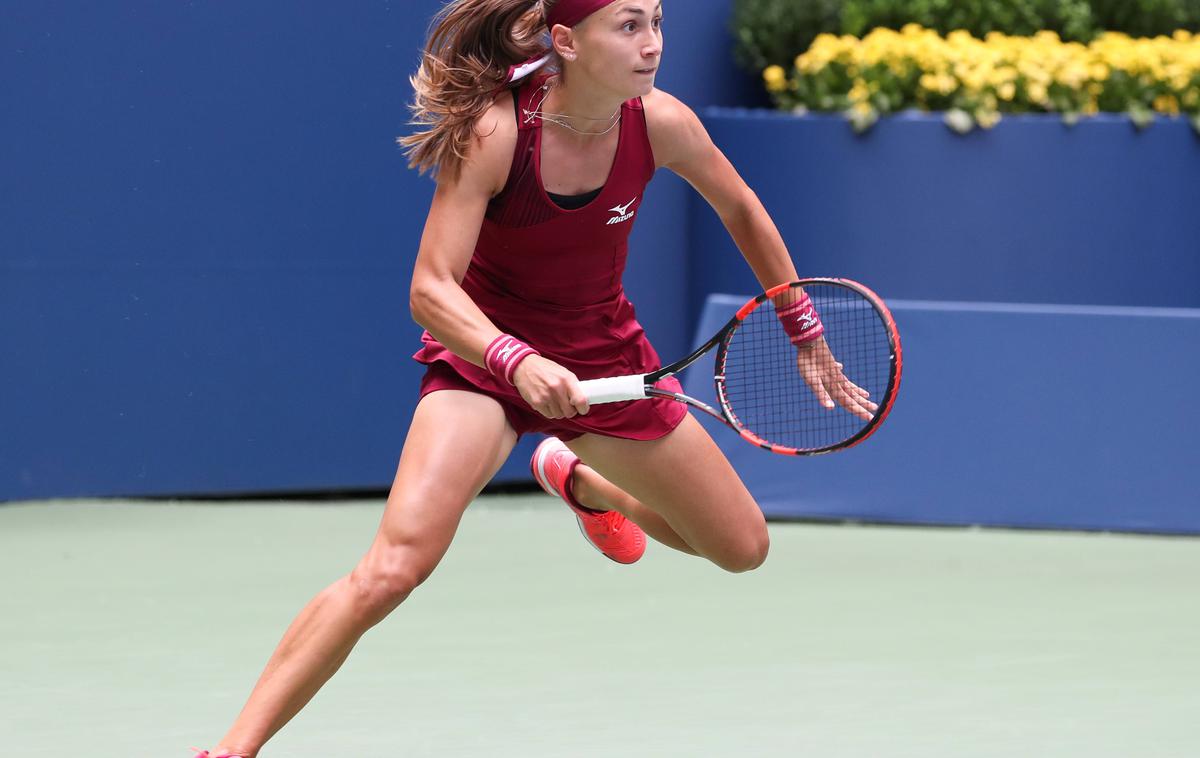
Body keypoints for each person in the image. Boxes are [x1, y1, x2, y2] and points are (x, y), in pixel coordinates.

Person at [192, 1, 871, 755]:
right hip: (483, 364)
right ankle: (231, 749)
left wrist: (801, 327)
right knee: (393, 569)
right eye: (629, 27)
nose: (653, 45)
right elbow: (430, 287)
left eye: (657, 21)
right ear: (566, 42)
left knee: (742, 547)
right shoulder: (496, 131)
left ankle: (581, 479)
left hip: (602, 359)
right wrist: (515, 358)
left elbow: (740, 206)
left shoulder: (662, 122)